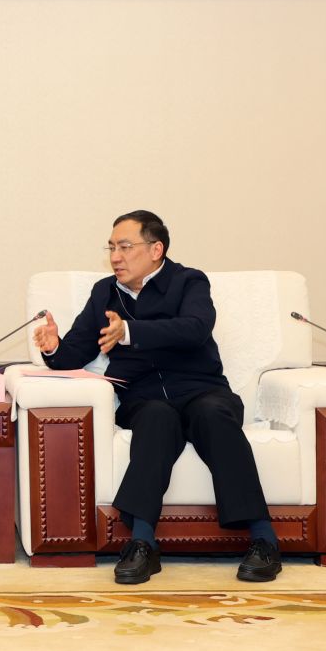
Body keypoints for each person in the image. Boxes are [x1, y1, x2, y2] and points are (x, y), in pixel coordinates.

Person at [32, 211, 277, 584]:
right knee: (157, 419)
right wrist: (53, 347)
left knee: (214, 415)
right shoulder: (104, 292)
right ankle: (143, 544)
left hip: (201, 388)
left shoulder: (188, 281)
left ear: (156, 249)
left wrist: (130, 332)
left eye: (125, 247)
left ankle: (264, 540)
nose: (116, 257)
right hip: (143, 395)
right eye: (111, 248)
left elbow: (195, 328)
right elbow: (76, 352)